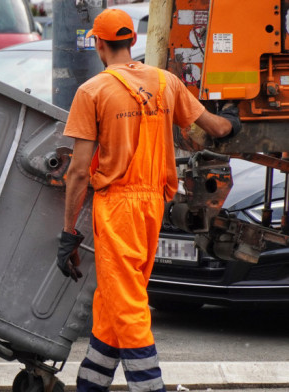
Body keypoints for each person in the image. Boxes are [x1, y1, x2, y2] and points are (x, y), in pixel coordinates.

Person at [56, 8, 241, 392]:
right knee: (114, 298)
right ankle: (91, 383)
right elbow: (215, 127)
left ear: (99, 43)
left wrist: (68, 231)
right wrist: (232, 121)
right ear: (130, 41)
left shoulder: (92, 91)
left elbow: (77, 172)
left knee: (127, 305)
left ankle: (149, 387)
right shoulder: (165, 82)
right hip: (153, 205)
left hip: (118, 206)